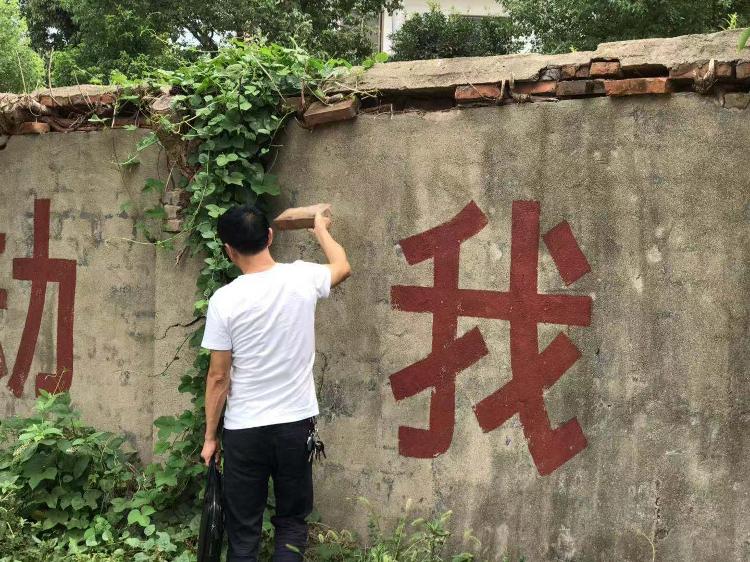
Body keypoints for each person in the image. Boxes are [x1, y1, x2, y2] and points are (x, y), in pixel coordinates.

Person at [199, 205, 351, 562]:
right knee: (292, 524)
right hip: (295, 426)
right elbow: (342, 266)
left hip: (244, 430)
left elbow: (218, 377)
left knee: (243, 534)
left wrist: (210, 437)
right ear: (269, 236)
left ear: (229, 250)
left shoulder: (224, 300)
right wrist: (320, 228)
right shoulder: (302, 277)